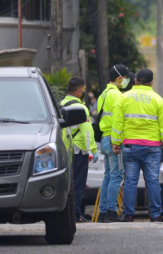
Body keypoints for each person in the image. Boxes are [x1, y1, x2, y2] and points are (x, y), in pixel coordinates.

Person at [111, 69, 163, 222]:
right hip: (152, 147)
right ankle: (156, 214)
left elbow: (118, 122)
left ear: (136, 81)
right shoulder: (158, 99)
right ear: (152, 82)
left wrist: (115, 141)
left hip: (130, 145)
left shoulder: (124, 98)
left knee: (130, 181)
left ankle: (128, 214)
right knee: (152, 180)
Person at [60, 77, 99, 223]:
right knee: (78, 183)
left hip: (66, 149)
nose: (83, 93)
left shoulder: (60, 105)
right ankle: (76, 215)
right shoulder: (81, 108)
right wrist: (93, 149)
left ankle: (70, 213)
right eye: (83, 91)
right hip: (79, 150)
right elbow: (86, 131)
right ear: (78, 91)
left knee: (69, 183)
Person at [97, 64, 131, 223]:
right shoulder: (117, 95)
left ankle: (103, 212)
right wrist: (117, 141)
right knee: (116, 176)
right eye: (125, 77)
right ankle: (111, 211)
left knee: (108, 176)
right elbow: (118, 121)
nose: (126, 80)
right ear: (119, 78)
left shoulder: (103, 94)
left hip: (104, 138)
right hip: (113, 139)